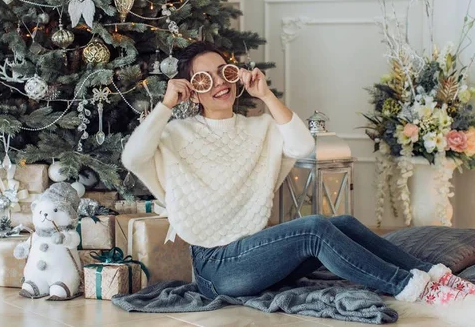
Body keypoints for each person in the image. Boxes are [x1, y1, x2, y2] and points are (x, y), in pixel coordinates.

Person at [121, 41, 475, 306]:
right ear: (192, 91)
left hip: (253, 255)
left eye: (224, 72)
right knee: (314, 229)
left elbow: (303, 146)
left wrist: (266, 94)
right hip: (217, 268)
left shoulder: (258, 128)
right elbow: (133, 157)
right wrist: (166, 105)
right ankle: (408, 287)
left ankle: (431, 274)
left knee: (344, 223)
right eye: (204, 78)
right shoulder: (176, 135)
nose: (219, 83)